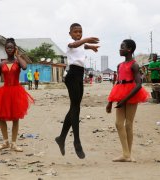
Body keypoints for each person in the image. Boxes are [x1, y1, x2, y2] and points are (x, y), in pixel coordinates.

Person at [55, 23, 99, 159]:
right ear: (70, 34)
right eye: (75, 32)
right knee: (75, 108)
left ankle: (61, 138)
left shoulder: (80, 44)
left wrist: (90, 47)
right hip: (72, 75)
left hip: (80, 75)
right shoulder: (70, 42)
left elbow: (81, 46)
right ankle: (77, 142)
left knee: (75, 108)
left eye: (80, 32)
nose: (78, 34)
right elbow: (74, 45)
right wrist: (86, 40)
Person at [0, 38, 34, 152]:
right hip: (4, 92)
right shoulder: (1, 64)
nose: (9, 49)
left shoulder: (18, 62)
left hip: (16, 91)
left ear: (15, 48)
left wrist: (18, 55)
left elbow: (25, 67)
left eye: (12, 47)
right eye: (7, 47)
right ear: (5, 49)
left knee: (16, 117)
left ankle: (14, 143)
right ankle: (5, 142)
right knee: (1, 116)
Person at [106, 39, 150, 162]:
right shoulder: (119, 65)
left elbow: (138, 84)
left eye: (122, 47)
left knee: (128, 124)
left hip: (131, 94)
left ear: (129, 49)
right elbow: (117, 82)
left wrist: (125, 99)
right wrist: (110, 101)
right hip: (119, 93)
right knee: (118, 124)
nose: (120, 49)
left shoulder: (134, 65)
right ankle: (126, 154)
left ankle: (127, 154)